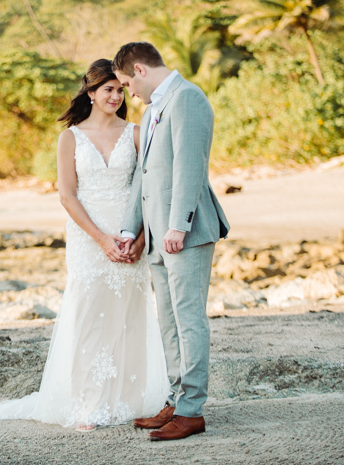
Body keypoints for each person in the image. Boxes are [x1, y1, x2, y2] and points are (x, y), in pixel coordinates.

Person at [0, 59, 169, 431]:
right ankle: (87, 404)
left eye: (119, 89)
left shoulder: (138, 133)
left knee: (129, 316)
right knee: (89, 317)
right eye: (107, 89)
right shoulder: (70, 137)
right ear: (91, 93)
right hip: (88, 237)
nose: (115, 95)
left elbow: (150, 191)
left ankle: (126, 400)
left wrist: (141, 239)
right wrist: (101, 240)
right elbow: (67, 195)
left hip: (130, 238)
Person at [113, 42, 230, 441]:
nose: (129, 93)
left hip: (186, 233)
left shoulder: (188, 99)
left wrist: (178, 226)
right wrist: (131, 230)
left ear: (141, 70)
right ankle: (177, 397)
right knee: (168, 320)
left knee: (188, 318)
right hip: (157, 237)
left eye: (128, 84)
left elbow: (190, 166)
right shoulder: (151, 113)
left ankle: (192, 409)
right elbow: (144, 176)